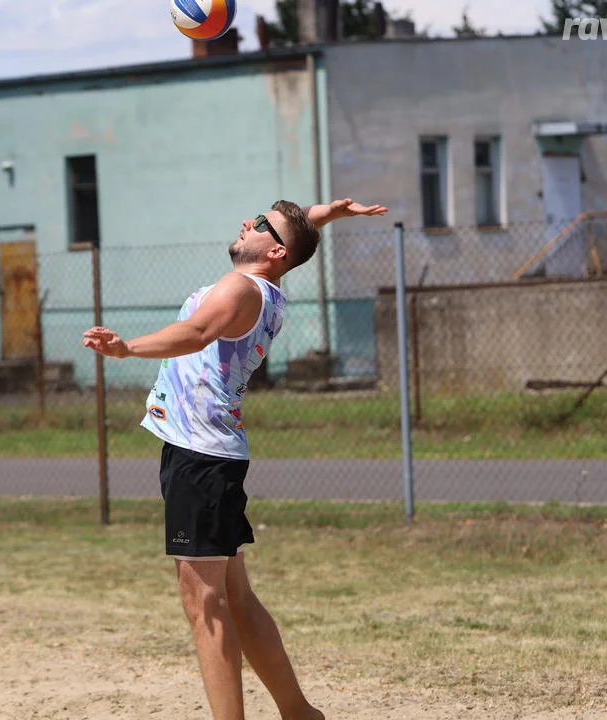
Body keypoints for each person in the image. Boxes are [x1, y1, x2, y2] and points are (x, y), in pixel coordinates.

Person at [82, 198, 387, 720]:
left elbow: (198, 333)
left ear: (272, 250)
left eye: (260, 224)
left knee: (206, 606)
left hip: (200, 458)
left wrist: (127, 349)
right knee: (237, 600)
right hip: (212, 454)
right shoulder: (268, 287)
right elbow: (290, 236)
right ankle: (299, 712)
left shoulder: (242, 288)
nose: (247, 222)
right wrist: (324, 216)